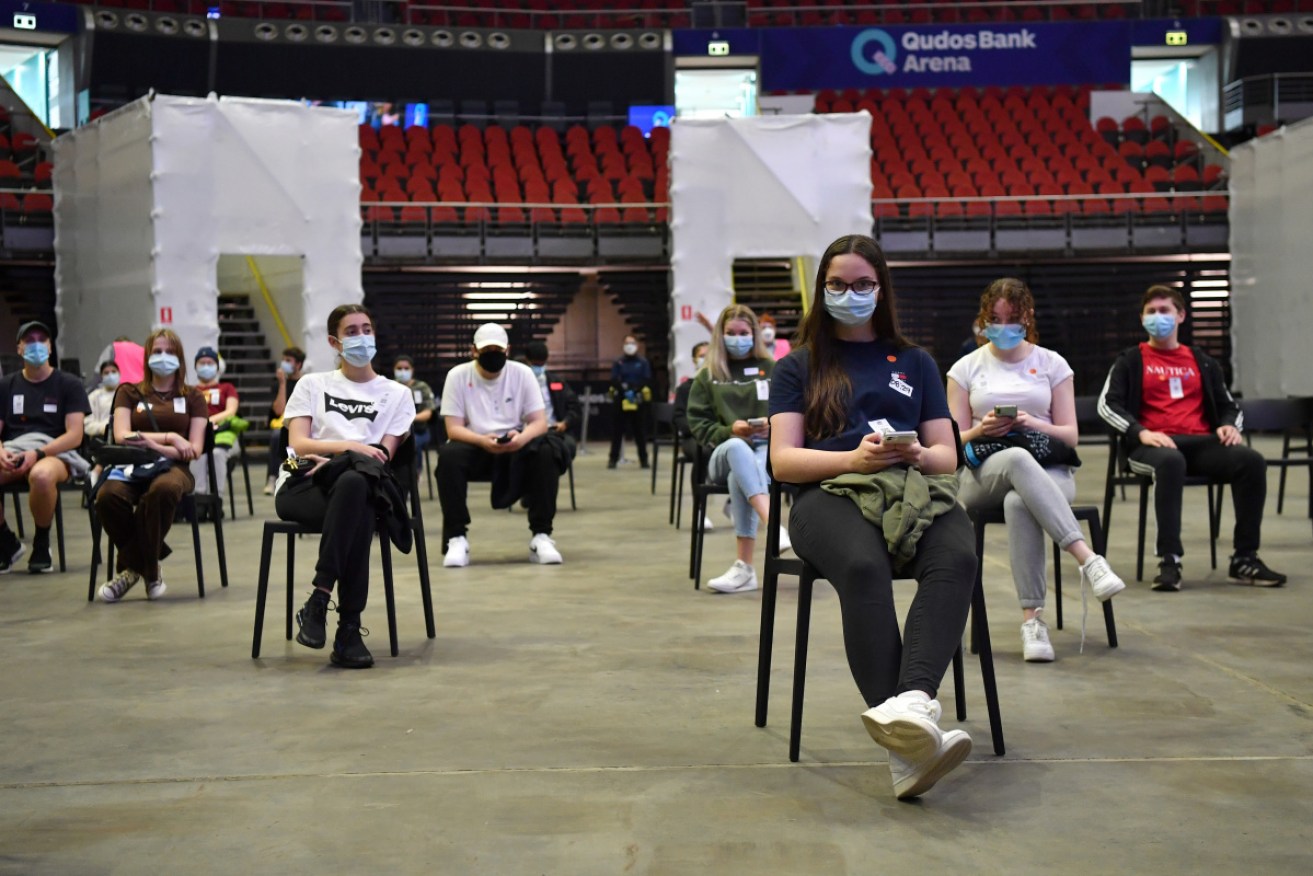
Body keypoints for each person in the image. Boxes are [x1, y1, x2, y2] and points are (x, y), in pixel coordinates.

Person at [769, 234, 977, 800]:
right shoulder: (799, 366)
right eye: (837, 284)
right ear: (822, 290)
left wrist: (912, 453)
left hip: (912, 490)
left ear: (880, 289)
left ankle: (911, 705)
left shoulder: (915, 361)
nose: (849, 293)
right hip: (826, 493)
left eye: (862, 284)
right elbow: (783, 461)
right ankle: (909, 743)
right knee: (863, 568)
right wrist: (851, 457)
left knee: (957, 555)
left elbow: (945, 455)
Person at [947, 278, 1125, 662]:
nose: (1004, 326)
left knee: (1018, 503)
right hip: (984, 473)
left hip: (1051, 468)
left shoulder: (1052, 363)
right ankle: (1088, 559)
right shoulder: (965, 368)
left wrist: (1031, 423)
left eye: (1013, 318)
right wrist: (982, 429)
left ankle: (1033, 623)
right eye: (995, 318)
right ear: (984, 319)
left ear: (1027, 317)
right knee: (1015, 460)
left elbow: (1070, 435)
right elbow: (952, 438)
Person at [1098, 284, 1285, 590]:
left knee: (1251, 462)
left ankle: (1244, 559)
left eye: (1165, 311)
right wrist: (1141, 432)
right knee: (1170, 462)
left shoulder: (1202, 361)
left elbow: (1230, 406)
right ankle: (1170, 561)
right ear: (1142, 317)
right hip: (1152, 447)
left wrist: (1229, 425)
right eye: (1151, 312)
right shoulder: (1131, 360)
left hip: (1200, 444)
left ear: (1181, 315)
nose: (1158, 317)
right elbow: (1107, 405)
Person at [275, 304, 415, 669]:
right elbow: (299, 446)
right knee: (359, 494)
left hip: (360, 486)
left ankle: (320, 598)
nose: (361, 337)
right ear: (334, 342)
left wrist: (340, 461)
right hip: (304, 486)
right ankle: (348, 629)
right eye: (351, 331)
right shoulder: (312, 384)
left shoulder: (398, 395)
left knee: (357, 485)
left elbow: (383, 456)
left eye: (366, 328)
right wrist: (350, 448)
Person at [438, 323, 566, 568]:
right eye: (487, 350)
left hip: (516, 443)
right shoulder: (457, 375)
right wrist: (482, 441)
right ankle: (457, 538)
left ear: (508, 350)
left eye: (498, 349)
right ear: (474, 351)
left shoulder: (522, 373)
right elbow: (453, 428)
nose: (493, 354)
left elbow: (539, 422)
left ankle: (541, 536)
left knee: (548, 452)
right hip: (477, 444)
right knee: (448, 456)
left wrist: (520, 438)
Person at [95, 329, 207, 601]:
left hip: (175, 468)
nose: (163, 357)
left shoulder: (193, 396)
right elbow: (122, 435)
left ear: (179, 358)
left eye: (169, 352)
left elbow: (194, 449)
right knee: (107, 496)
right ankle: (149, 568)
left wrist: (155, 445)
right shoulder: (128, 392)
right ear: (147, 357)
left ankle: (131, 570)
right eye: (157, 351)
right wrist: (168, 437)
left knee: (162, 491)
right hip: (132, 467)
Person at [686, 305, 782, 593]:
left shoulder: (773, 370)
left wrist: (772, 425)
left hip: (764, 452)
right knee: (738, 448)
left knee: (740, 476)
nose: (737, 338)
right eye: (730, 333)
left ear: (754, 334)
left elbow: (794, 414)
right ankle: (773, 524)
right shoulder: (708, 375)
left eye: (743, 333)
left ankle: (745, 568)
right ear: (720, 334)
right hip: (722, 453)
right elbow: (698, 426)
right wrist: (731, 430)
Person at [0, 321, 92, 574]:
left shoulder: (69, 384)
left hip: (55, 453)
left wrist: (38, 453)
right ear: (19, 349)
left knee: (41, 476)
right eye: (29, 340)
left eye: (42, 339)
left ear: (50, 347)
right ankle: (6, 542)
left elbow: (75, 435)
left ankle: (41, 542)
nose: (36, 345)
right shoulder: (6, 385)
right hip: (14, 450)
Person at [674, 341, 713, 532]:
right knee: (702, 453)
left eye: (709, 354)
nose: (706, 358)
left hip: (719, 436)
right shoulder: (685, 389)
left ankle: (733, 503)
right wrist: (700, 429)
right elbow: (679, 418)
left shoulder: (719, 385)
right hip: (694, 438)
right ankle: (699, 509)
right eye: (702, 355)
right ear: (694, 359)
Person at [191, 346, 239, 500]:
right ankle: (199, 499)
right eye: (202, 362)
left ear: (217, 367)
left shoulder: (227, 388)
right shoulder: (190, 391)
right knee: (197, 454)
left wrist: (208, 421)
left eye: (210, 363)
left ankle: (216, 500)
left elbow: (231, 411)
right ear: (196, 367)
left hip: (223, 435)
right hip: (197, 436)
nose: (206, 366)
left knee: (217, 454)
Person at [524, 340, 582, 461]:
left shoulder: (557, 382)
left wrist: (565, 423)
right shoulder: (518, 382)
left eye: (542, 364)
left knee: (561, 448)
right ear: (527, 361)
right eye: (535, 364)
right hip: (526, 432)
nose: (539, 368)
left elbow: (575, 408)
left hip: (555, 431)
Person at [265, 346, 306, 494]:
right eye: (283, 360)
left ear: (299, 364)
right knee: (278, 436)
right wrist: (282, 384)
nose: (284, 363)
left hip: (301, 424)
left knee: (294, 438)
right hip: (283, 424)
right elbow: (278, 410)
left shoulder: (305, 383)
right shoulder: (278, 384)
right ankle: (272, 476)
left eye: (288, 360)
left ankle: (294, 470)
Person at [607, 334, 651, 469]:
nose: (629, 345)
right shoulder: (618, 362)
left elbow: (646, 378)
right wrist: (624, 390)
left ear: (636, 345)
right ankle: (613, 459)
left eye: (632, 343)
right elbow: (614, 379)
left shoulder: (643, 362)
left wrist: (635, 390)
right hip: (621, 398)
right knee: (617, 431)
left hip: (637, 399)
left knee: (640, 431)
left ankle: (644, 460)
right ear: (623, 345)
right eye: (627, 343)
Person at [392, 354, 436, 473]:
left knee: (411, 444)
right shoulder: (389, 387)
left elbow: (428, 413)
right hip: (394, 430)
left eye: (406, 368)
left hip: (418, 431)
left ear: (412, 370)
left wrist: (409, 419)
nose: (403, 371)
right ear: (394, 370)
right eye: (399, 368)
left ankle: (414, 476)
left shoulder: (421, 387)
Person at [86, 360, 120, 440]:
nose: (110, 375)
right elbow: (87, 424)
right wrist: (105, 428)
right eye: (106, 373)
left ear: (119, 373)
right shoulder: (94, 396)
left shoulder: (127, 394)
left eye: (113, 372)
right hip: (101, 440)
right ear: (102, 376)